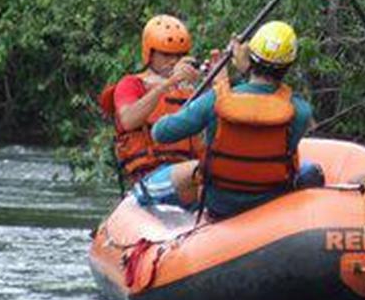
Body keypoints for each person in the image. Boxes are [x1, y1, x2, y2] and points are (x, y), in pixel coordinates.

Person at [137, 21, 323, 220]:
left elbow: (161, 133)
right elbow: (262, 103)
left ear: (250, 59)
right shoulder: (300, 111)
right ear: (289, 66)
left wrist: (223, 82)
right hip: (270, 203)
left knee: (145, 190)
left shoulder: (217, 100)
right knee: (310, 171)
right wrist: (244, 71)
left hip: (221, 206)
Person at [98, 15, 203, 187]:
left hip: (189, 175)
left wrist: (216, 79)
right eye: (166, 55)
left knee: (209, 172)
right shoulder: (131, 84)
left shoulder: (193, 88)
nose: (173, 61)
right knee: (198, 171)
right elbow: (128, 120)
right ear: (150, 54)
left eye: (179, 55)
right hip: (150, 177)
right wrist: (168, 84)